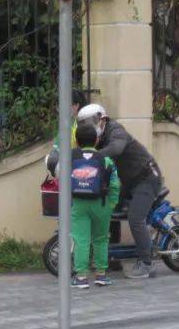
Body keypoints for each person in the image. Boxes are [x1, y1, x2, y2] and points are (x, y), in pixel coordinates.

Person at [76, 104, 163, 279]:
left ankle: (147, 263)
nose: (88, 126)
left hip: (146, 178)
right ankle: (111, 259)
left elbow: (116, 149)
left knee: (135, 218)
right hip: (128, 182)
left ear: (102, 119)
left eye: (90, 122)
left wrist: (93, 157)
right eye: (84, 124)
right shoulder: (97, 139)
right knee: (108, 210)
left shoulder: (115, 130)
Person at [68, 122, 120, 289]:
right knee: (101, 239)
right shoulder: (106, 159)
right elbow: (115, 184)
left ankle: (81, 277)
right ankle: (101, 275)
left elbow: (62, 180)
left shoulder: (70, 158)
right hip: (102, 203)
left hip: (79, 204)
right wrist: (112, 203)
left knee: (81, 240)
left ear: (76, 141)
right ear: (97, 140)